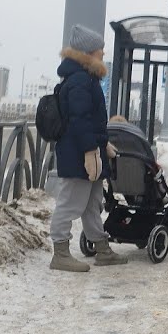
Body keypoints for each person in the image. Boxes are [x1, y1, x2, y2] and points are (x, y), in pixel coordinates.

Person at [49, 25, 128, 272]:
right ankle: (60, 253)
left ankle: (102, 249)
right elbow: (79, 120)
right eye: (99, 49)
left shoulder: (85, 78)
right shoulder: (80, 81)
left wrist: (102, 145)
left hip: (90, 152)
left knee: (92, 204)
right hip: (79, 154)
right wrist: (89, 150)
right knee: (70, 203)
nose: (103, 53)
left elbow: (91, 121)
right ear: (88, 52)